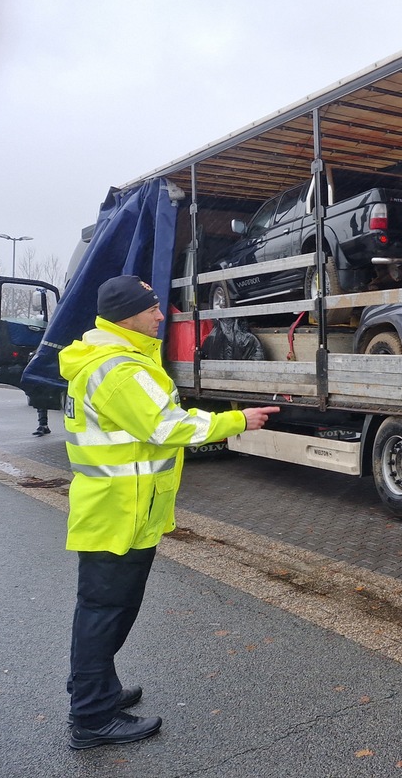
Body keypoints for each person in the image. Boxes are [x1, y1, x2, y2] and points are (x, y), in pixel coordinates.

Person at [59, 275, 279, 750]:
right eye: (152, 308)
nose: (162, 315)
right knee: (104, 612)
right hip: (119, 512)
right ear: (126, 315)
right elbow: (167, 426)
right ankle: (92, 718)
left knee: (107, 609)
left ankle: (96, 691)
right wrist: (237, 419)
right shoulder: (118, 370)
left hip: (119, 509)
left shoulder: (113, 360)